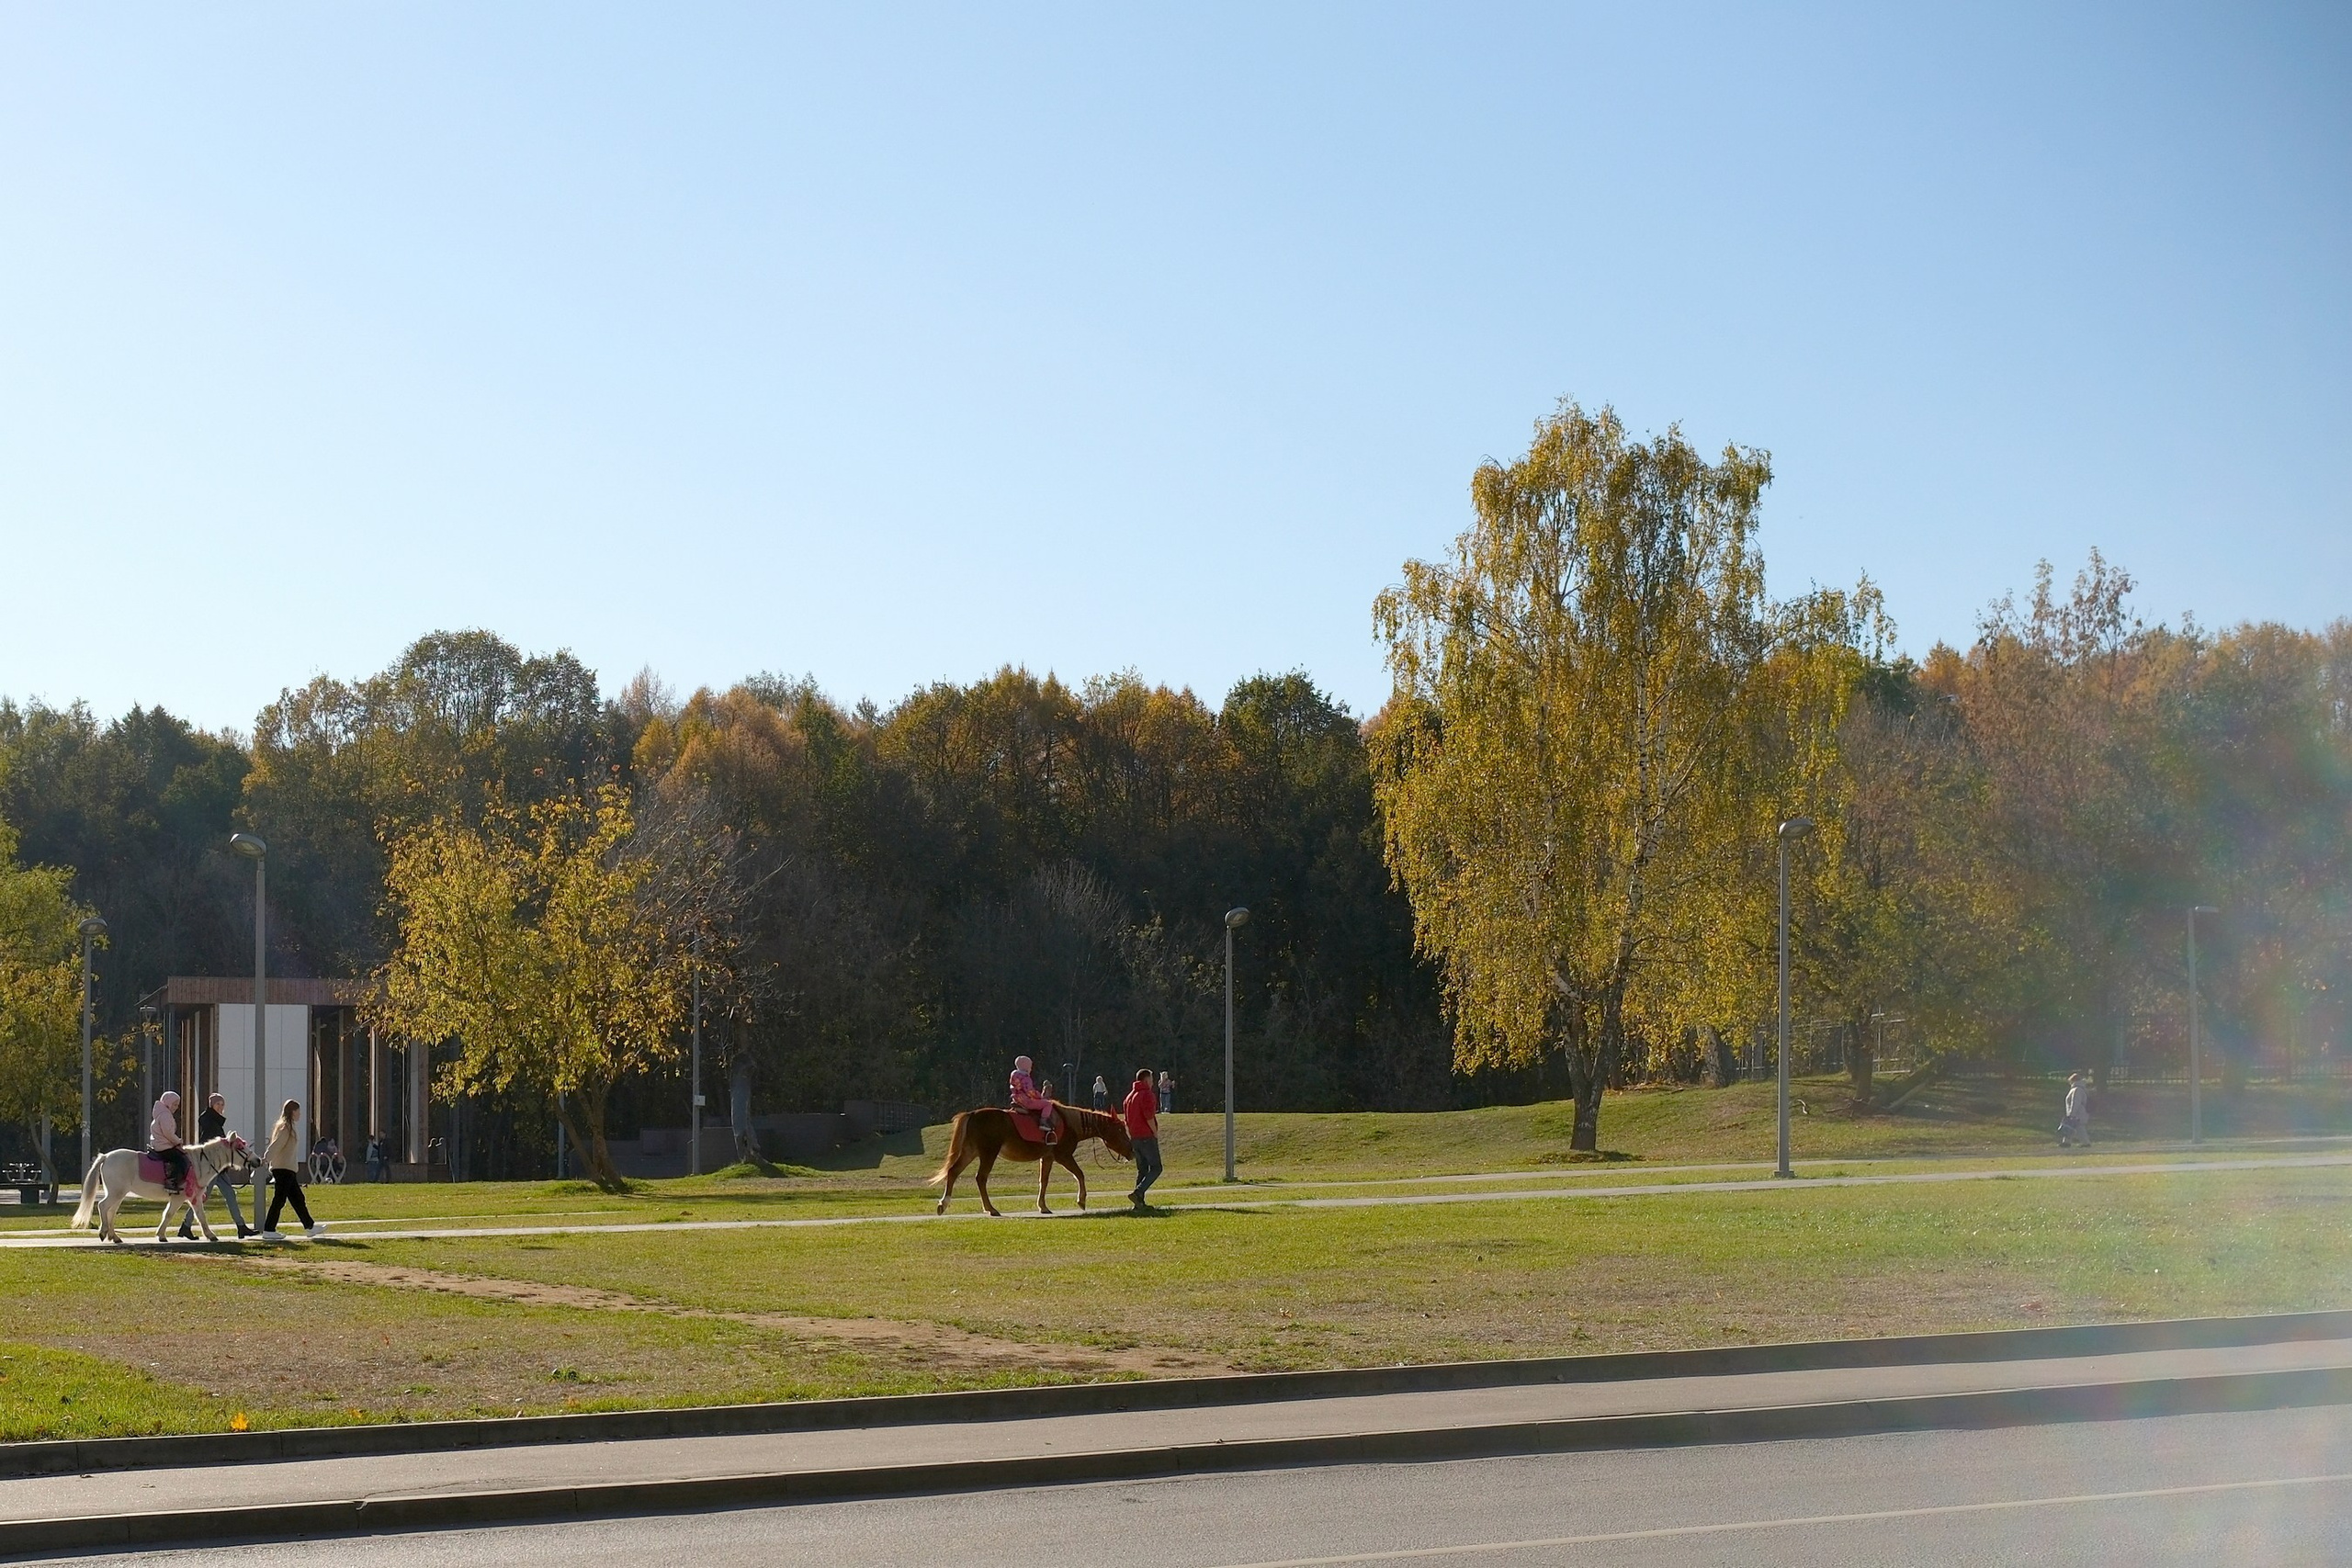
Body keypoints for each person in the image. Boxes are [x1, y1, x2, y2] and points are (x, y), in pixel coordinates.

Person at [178, 1092, 256, 1240]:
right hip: (211, 1169)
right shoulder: (210, 1123)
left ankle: (241, 1226)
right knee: (201, 1197)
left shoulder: (215, 1122)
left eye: (222, 1104)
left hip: (218, 1169)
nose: (220, 1107)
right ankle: (186, 1226)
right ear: (211, 1105)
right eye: (218, 1104)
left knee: (229, 1195)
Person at [260, 1099, 326, 1238]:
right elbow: (276, 1145)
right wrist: (266, 1158)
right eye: (298, 1111)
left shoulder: (289, 1127)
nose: (300, 1114)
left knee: (298, 1198)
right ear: (292, 1112)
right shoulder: (286, 1127)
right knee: (280, 1199)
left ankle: (310, 1226)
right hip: (283, 1169)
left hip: (288, 1169)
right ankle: (269, 1230)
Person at [1123, 1068, 1163, 1210]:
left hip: (1135, 1138)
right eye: (1151, 1079)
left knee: (1143, 1169)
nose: (1152, 1082)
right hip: (1147, 1136)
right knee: (1157, 1167)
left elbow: (1126, 1120)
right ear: (1146, 1080)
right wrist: (1155, 1132)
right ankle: (1138, 1192)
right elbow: (1149, 1116)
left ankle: (1139, 1203)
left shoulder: (1129, 1097)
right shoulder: (1147, 1095)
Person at [147, 1090, 189, 1196]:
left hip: (160, 1144)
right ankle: (171, 1182)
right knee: (180, 1160)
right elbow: (168, 1134)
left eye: (177, 1105)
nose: (176, 1107)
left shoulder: (161, 1114)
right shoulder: (165, 1115)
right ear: (168, 1103)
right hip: (164, 1146)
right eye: (174, 1104)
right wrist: (178, 1141)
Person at [1008, 1055, 1057, 1141]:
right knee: (1048, 1104)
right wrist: (1039, 1096)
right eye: (1030, 1067)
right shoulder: (1026, 1078)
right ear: (1026, 1067)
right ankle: (1043, 1122)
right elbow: (1029, 1091)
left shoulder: (1014, 1075)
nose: (1031, 1069)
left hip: (1017, 1099)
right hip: (1027, 1101)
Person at [2059, 1072, 2091, 1148]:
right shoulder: (2080, 1089)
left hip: (2077, 1113)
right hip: (2080, 1112)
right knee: (2073, 1127)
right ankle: (2067, 1142)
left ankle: (2085, 1143)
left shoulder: (2076, 1090)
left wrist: (2071, 1114)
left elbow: (2075, 1103)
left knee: (2078, 1127)